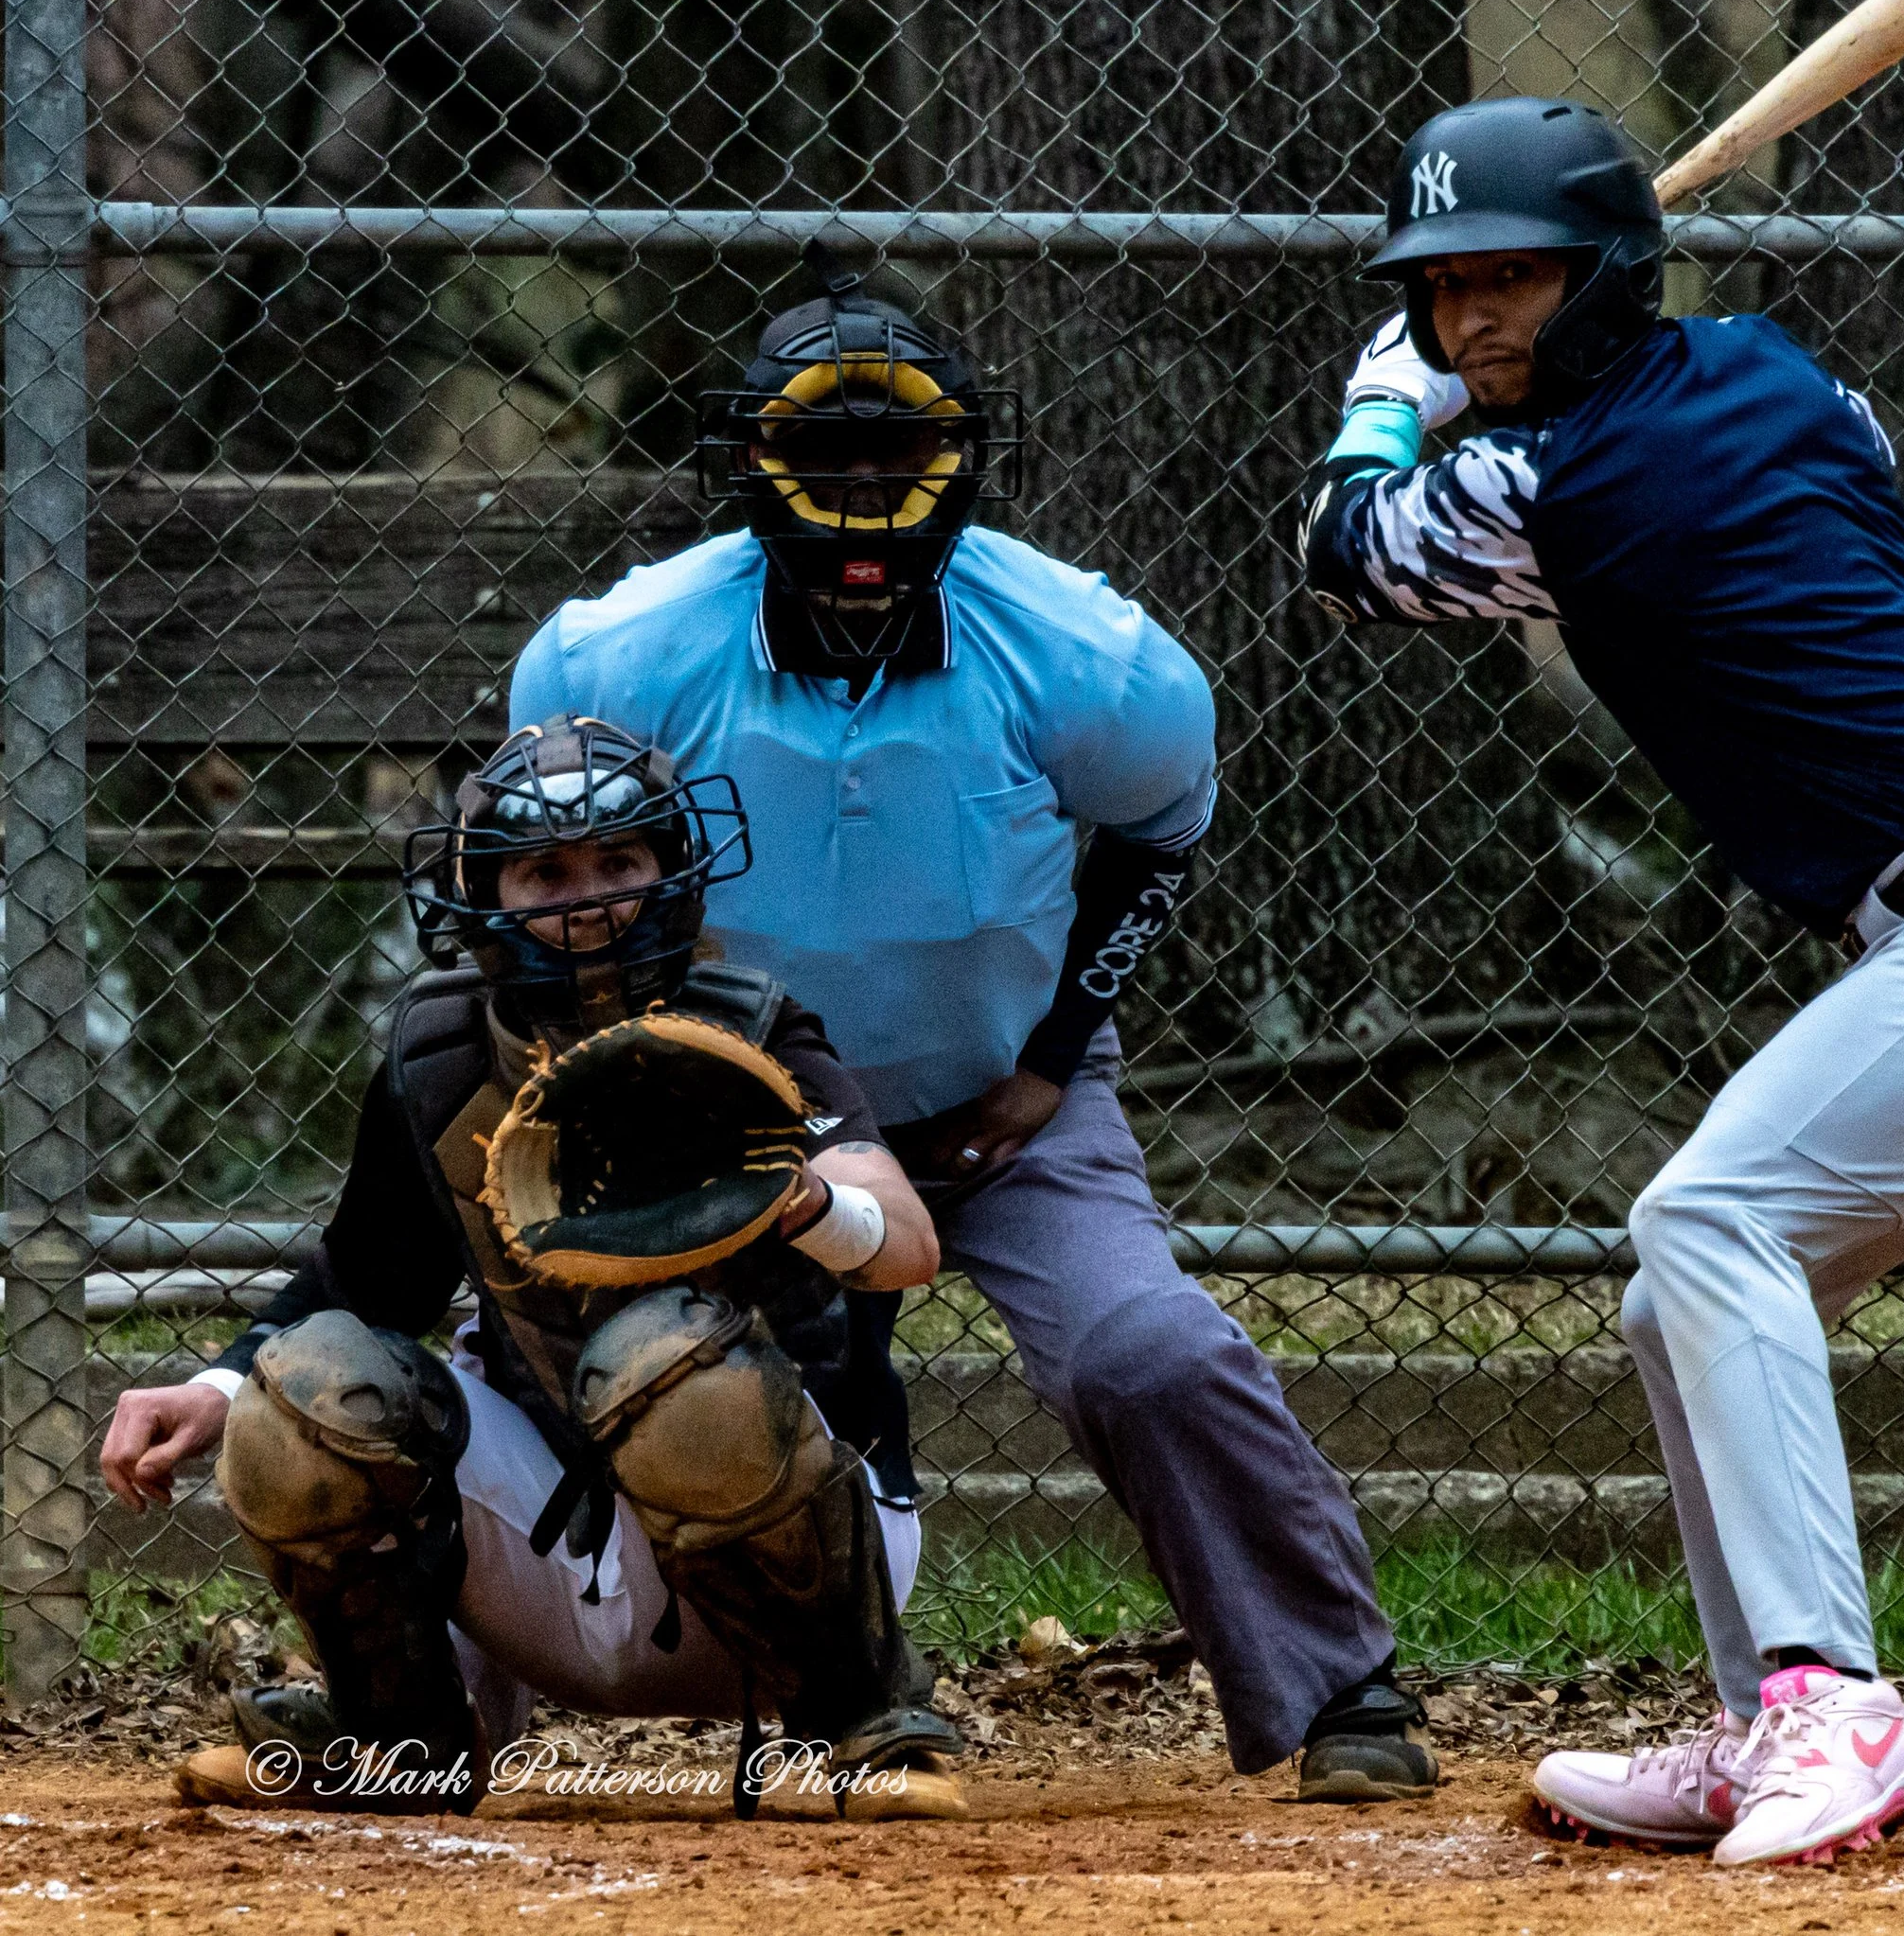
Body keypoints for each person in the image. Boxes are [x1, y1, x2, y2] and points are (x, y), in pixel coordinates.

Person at [1296, 97, 1904, 1866]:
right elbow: (1863, 440)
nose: (1474, 316)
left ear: (1607, 270)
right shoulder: (1770, 368)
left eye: (1510, 283)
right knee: (1674, 1299)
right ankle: (1760, 1719)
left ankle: (1832, 1701)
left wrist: (1390, 393)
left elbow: (1351, 554)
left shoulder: (1581, 477)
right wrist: (1499, 361)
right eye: (1445, 288)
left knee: (1705, 1222)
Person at [502, 243, 1435, 1802]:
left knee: (1149, 1350)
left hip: (995, 1094)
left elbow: (1160, 832)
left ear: (962, 458)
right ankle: (414, 1703)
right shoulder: (624, 655)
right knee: (542, 1339)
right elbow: (554, 880)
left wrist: (1050, 1068)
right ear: (750, 458)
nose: (863, 483)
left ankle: (1342, 1695)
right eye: (822, 449)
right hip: (721, 1107)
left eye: (898, 448)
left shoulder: (1082, 650)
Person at [100, 717, 965, 1819]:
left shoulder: (752, 1030)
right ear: (482, 894)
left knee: (666, 1365)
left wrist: (802, 1199)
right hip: (556, 1549)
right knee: (305, 1391)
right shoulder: (439, 1057)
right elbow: (367, 1284)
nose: (586, 897)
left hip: (801, 1558)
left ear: (670, 874)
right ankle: (399, 1742)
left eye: (618, 862)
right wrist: (216, 1387)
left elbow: (907, 1241)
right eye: (544, 871)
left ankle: (853, 1726)